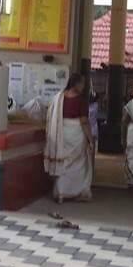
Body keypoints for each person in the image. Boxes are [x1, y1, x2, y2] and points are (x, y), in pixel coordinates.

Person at [44, 73, 93, 203]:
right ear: (76, 84)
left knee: (63, 163)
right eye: (82, 83)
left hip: (61, 134)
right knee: (78, 164)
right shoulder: (80, 100)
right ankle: (75, 192)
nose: (83, 86)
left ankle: (60, 193)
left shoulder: (58, 98)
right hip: (76, 133)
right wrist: (90, 138)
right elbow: (84, 121)